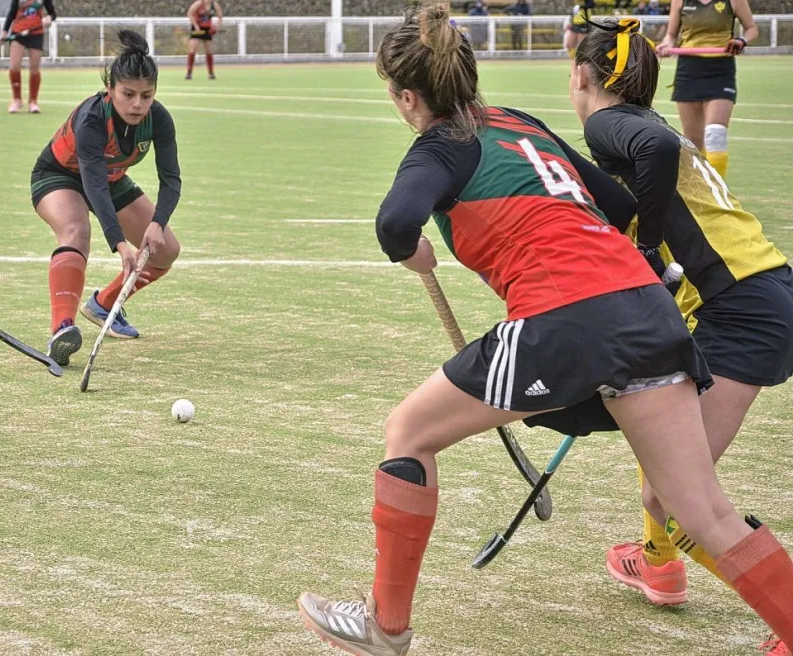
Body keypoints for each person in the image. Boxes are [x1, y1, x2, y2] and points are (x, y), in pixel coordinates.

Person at [295, 6, 793, 656]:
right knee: (706, 513)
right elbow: (617, 206)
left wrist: (411, 248)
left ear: (406, 95)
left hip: (567, 319)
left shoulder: (441, 145)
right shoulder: (521, 125)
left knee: (408, 434)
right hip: (651, 311)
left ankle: (384, 627)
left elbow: (396, 221)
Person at [566, 17, 793, 654]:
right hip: (753, 294)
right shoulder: (649, 125)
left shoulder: (609, 124)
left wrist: (641, 247)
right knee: (665, 481)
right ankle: (659, 564)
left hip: (743, 305)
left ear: (581, 75)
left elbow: (658, 161)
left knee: (684, 492)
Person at [30, 30, 181, 367]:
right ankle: (62, 329)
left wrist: (158, 224)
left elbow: (171, 179)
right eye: (128, 94)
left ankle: (103, 304)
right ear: (110, 89)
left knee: (166, 249)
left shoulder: (158, 119)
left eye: (146, 95)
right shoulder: (92, 118)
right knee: (76, 233)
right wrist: (119, 244)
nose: (138, 104)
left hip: (111, 179)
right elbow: (92, 183)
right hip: (59, 175)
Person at [656, 0, 757, 177]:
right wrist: (667, 44)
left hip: (720, 69)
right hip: (689, 69)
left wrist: (741, 40)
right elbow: (671, 35)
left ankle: (719, 192)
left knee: (715, 133)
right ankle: (700, 191)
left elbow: (752, 29)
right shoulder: (680, 1)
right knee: (693, 141)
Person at [0, 0, 56, 114]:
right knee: (14, 66)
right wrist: (4, 32)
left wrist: (49, 18)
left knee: (34, 68)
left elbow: (53, 13)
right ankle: (16, 100)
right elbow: (12, 13)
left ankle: (33, 102)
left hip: (36, 34)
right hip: (18, 33)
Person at [185, 0, 222, 80]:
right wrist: (196, 26)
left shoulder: (214, 4)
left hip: (207, 30)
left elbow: (220, 16)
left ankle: (211, 73)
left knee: (209, 51)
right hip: (197, 29)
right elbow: (190, 14)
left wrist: (216, 26)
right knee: (192, 50)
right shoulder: (199, 3)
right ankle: (189, 72)